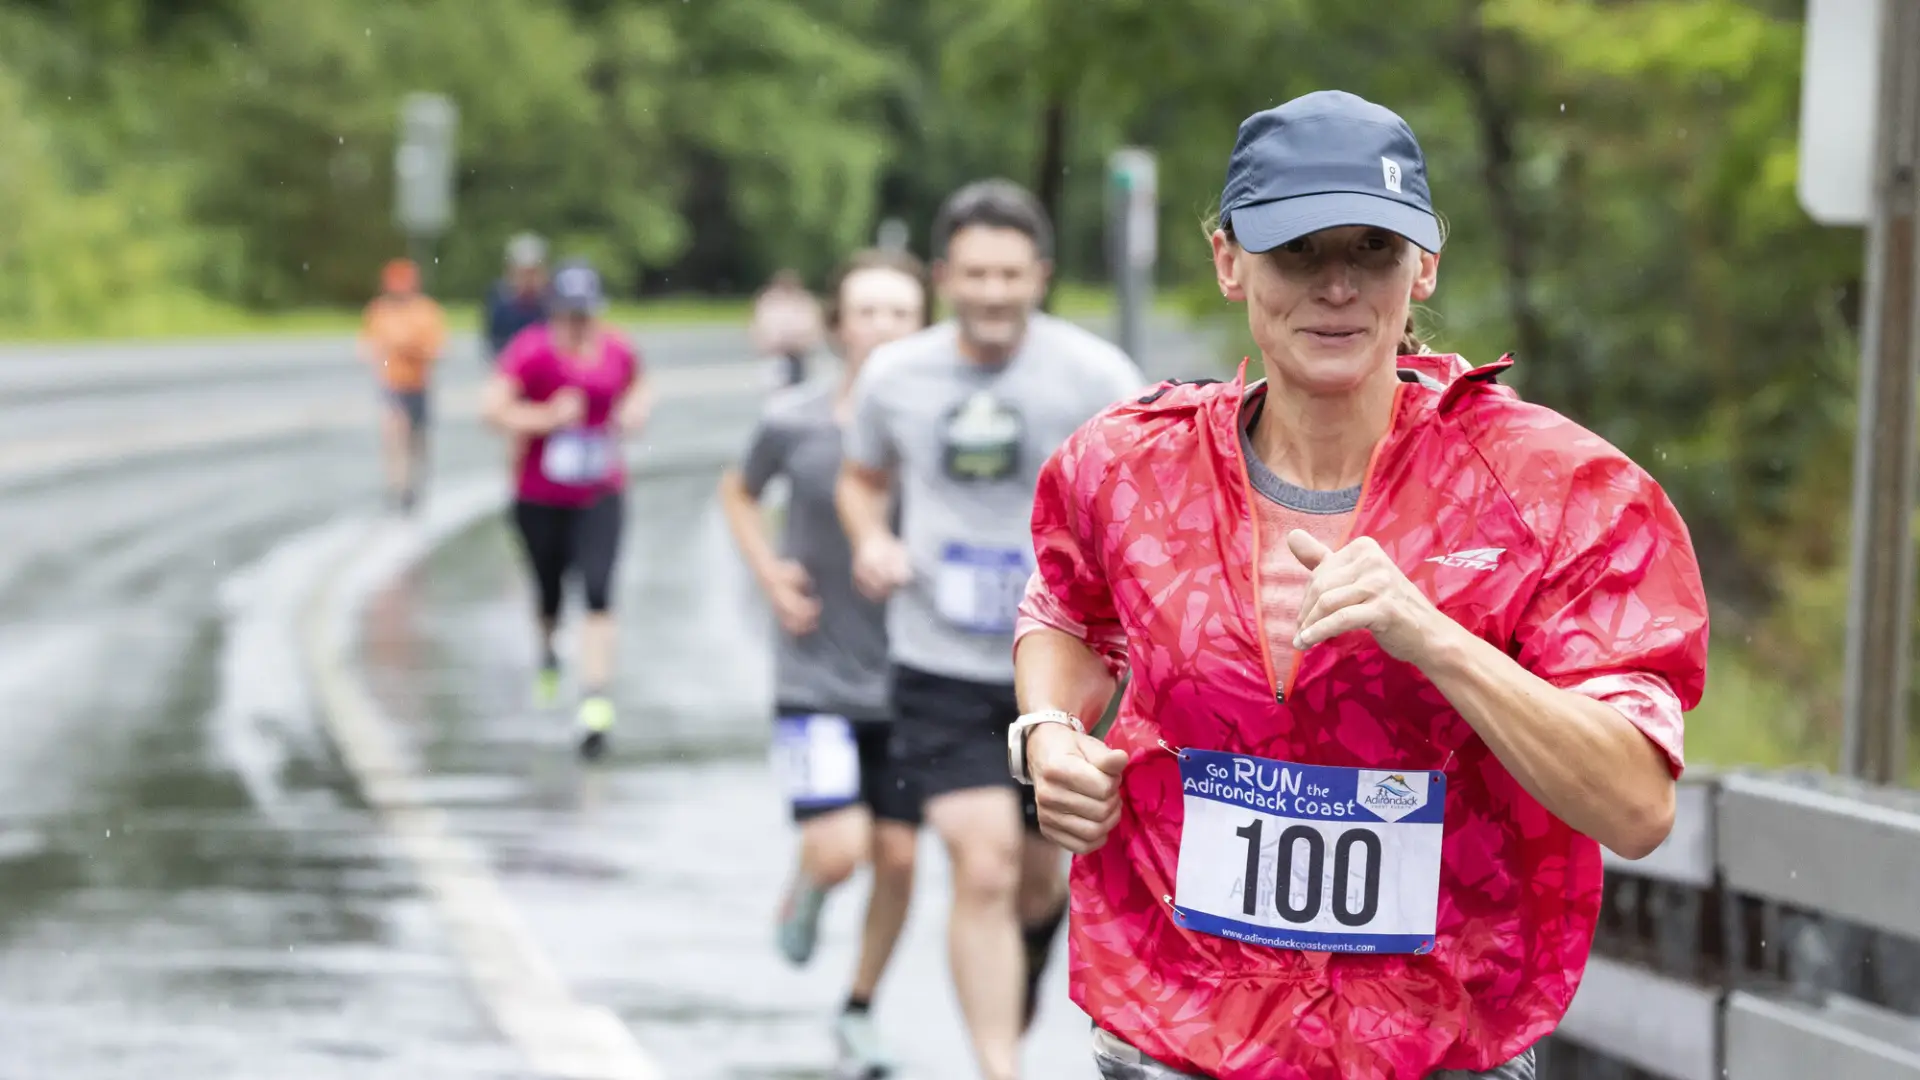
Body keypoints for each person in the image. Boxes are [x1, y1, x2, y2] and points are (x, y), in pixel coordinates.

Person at [1010, 90, 1711, 1080]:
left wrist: (1434, 639)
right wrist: (1045, 733)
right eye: (1297, 251)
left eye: (1371, 251)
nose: (1335, 287)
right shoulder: (1129, 469)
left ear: (1424, 264)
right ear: (1228, 261)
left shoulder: (1558, 493)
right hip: (1177, 1023)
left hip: (1438, 1045)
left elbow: (1637, 805)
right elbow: (1065, 609)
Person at [835, 179, 1146, 1080]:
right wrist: (871, 539)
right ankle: (998, 1068)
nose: (994, 292)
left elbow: (1141, 497)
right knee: (981, 863)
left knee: (1041, 881)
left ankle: (1022, 977)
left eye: (1011, 273)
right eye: (975, 273)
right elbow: (861, 478)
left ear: (1040, 275)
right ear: (943, 277)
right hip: (939, 658)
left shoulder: (1096, 377)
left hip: (1068, 672)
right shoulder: (897, 376)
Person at [717, 248, 932, 1080]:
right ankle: (808, 886)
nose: (881, 328)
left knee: (903, 858)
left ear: (924, 325)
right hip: (814, 673)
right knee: (842, 850)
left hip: (912, 677)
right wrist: (770, 572)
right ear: (838, 325)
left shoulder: (941, 426)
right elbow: (738, 490)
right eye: (867, 312)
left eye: (900, 313)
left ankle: (859, 1007)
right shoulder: (796, 420)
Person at [481, 260, 652, 759]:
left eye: (586, 314)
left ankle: (595, 702)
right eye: (569, 314)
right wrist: (544, 417)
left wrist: (636, 408)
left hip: (600, 492)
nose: (578, 324)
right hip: (538, 495)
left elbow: (640, 383)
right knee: (550, 591)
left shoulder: (616, 349)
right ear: (553, 312)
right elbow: (491, 409)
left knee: (599, 591)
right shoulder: (531, 353)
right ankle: (549, 652)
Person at [358, 257, 447, 514]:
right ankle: (398, 487)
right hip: (391, 383)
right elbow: (366, 345)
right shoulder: (380, 311)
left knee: (417, 438)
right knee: (394, 434)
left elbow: (439, 349)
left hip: (418, 384)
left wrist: (413, 348)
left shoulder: (426, 311)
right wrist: (379, 354)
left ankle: (417, 482)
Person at [751, 269, 826, 388]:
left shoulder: (804, 301)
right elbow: (759, 329)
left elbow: (814, 329)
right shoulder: (769, 302)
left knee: (801, 391)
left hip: (799, 356)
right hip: (775, 356)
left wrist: (801, 342)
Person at [485, 232, 551, 364]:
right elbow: (495, 345)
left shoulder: (553, 303)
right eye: (523, 273)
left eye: (533, 273)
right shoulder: (501, 303)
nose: (528, 280)